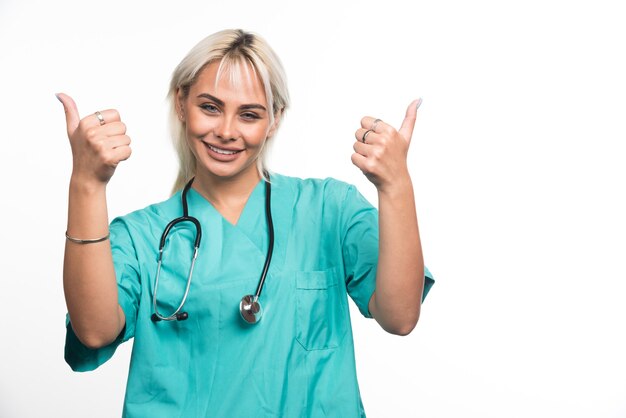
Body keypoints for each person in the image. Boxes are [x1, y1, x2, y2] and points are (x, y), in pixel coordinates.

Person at [58, 29, 435, 417]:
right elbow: (95, 330)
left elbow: (401, 316)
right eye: (210, 107)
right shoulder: (141, 237)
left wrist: (395, 186)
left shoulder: (329, 210)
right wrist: (86, 184)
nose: (226, 131)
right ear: (181, 104)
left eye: (250, 114)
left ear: (274, 120)